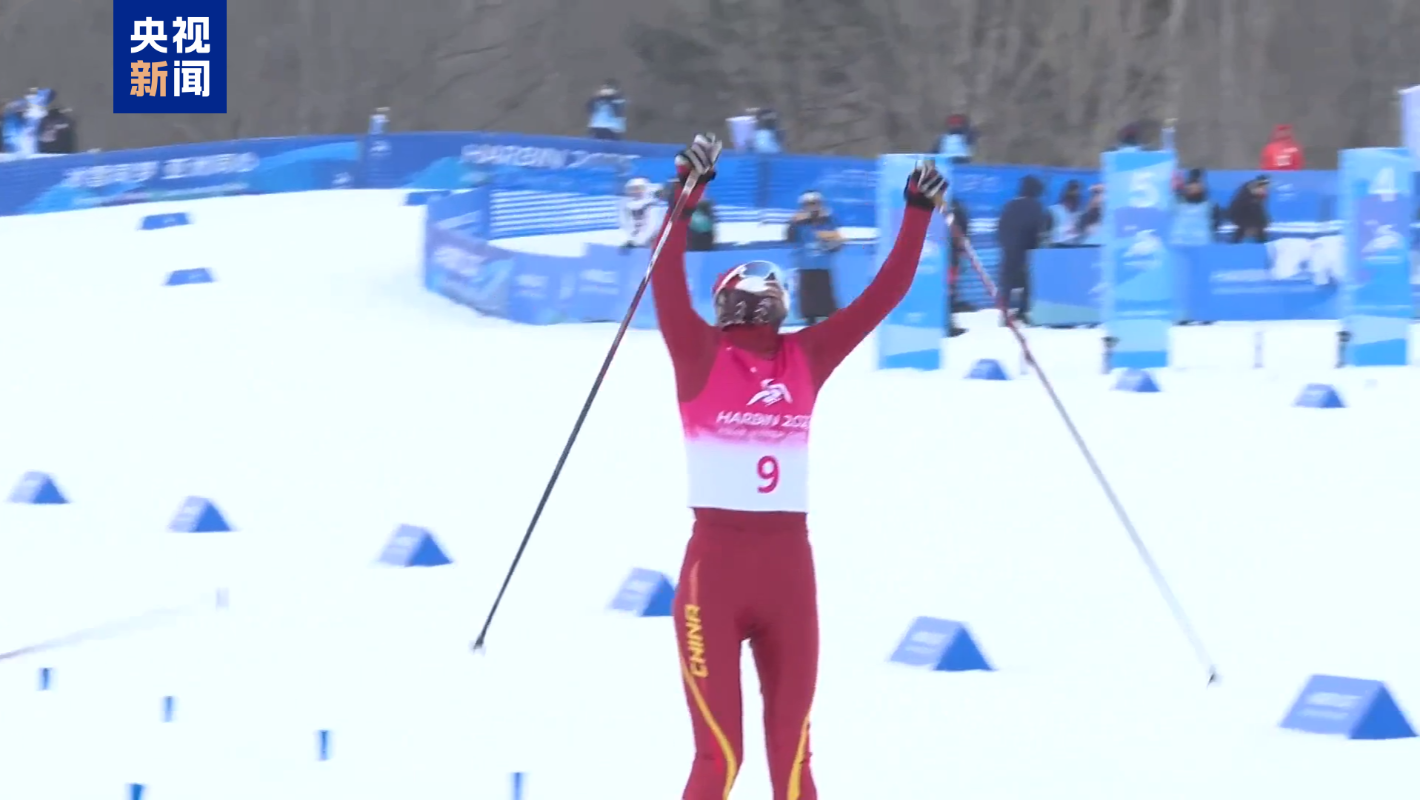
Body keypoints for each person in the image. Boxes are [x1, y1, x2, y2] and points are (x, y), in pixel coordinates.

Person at [650, 133, 944, 800]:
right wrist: (917, 212)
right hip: (736, 573)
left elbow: (665, 275)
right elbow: (885, 293)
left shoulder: (785, 356)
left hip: (762, 571)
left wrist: (687, 195)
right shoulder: (715, 354)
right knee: (749, 760)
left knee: (757, 762)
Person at [995, 175, 1048, 324]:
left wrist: (1005, 245)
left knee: (1007, 284)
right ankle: (1022, 311)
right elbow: (1038, 229)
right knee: (1028, 283)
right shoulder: (1036, 206)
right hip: (1027, 252)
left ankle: (1004, 313)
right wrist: (1035, 246)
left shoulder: (1010, 205)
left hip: (1009, 251)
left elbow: (1001, 227)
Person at [784, 190, 843, 324]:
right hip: (805, 266)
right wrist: (793, 223)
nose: (812, 207)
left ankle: (830, 323)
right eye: (808, 204)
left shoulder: (828, 220)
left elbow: (837, 241)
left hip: (823, 266)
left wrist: (832, 243)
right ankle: (810, 322)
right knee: (808, 299)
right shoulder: (798, 222)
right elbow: (790, 238)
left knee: (826, 297)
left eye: (815, 203)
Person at [619, 176, 662, 252]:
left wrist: (638, 242)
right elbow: (627, 226)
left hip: (653, 245)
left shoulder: (652, 206)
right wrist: (632, 240)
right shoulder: (627, 207)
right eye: (632, 189)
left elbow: (651, 227)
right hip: (636, 245)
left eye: (639, 189)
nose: (636, 192)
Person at [1226, 175, 1270, 243]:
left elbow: (1259, 211)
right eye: (1263, 187)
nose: (1265, 189)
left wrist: (1264, 222)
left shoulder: (1258, 196)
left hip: (1252, 224)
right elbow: (1235, 212)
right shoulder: (1246, 197)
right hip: (1245, 223)